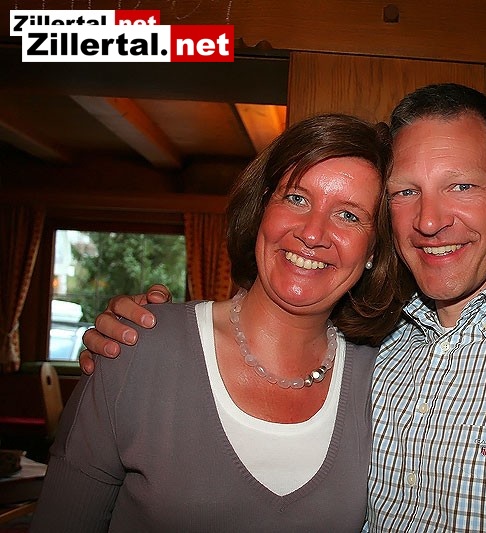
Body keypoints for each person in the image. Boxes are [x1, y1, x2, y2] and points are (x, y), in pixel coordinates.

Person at [80, 83, 486, 531]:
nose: (430, 219)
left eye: (462, 186)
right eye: (406, 192)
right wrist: (141, 338)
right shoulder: (387, 350)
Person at [32, 114, 413, 532]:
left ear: (374, 250)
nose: (312, 233)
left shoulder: (381, 379)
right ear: (263, 208)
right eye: (296, 198)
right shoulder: (136, 346)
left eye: (349, 216)